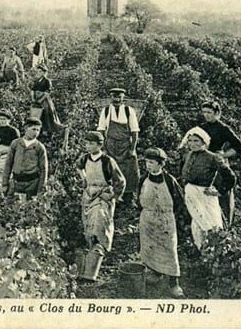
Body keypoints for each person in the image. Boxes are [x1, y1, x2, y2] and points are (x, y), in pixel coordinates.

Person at [75, 131, 126, 282]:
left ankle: (99, 251)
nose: (88, 146)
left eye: (92, 143)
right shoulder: (84, 159)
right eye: (87, 143)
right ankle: (91, 256)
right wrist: (83, 179)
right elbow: (79, 167)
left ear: (100, 145)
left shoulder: (107, 161)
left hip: (103, 195)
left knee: (100, 223)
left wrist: (113, 196)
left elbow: (120, 180)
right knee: (89, 225)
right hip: (89, 194)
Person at [137, 147, 185, 297]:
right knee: (150, 248)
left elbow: (179, 201)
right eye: (146, 162)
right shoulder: (143, 179)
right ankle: (156, 273)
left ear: (160, 164)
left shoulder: (170, 181)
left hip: (165, 219)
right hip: (148, 219)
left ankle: (174, 284)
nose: (148, 165)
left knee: (169, 250)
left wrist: (170, 217)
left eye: (151, 162)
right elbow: (138, 198)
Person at [179, 126, 236, 250]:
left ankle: (216, 250)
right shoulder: (187, 156)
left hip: (205, 194)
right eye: (190, 141)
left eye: (196, 141)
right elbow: (183, 172)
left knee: (210, 223)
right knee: (197, 224)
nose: (193, 144)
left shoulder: (213, 158)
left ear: (204, 142)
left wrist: (219, 191)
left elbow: (230, 177)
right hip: (191, 193)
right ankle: (202, 251)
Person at [197, 100, 241, 227]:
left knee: (222, 193)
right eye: (204, 112)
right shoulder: (202, 128)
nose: (206, 115)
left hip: (219, 165)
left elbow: (240, 148)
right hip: (204, 164)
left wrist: (223, 155)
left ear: (217, 113)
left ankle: (225, 225)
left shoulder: (223, 129)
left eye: (209, 112)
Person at [97, 87, 140, 205]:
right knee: (111, 170)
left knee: (130, 170)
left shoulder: (128, 110)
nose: (116, 99)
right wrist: (103, 148)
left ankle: (129, 197)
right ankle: (114, 196)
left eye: (119, 97)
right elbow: (101, 130)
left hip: (125, 145)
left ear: (123, 98)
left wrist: (132, 149)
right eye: (114, 97)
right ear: (111, 98)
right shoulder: (105, 111)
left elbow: (135, 131)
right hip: (110, 145)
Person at [2, 117, 48, 200]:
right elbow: (8, 164)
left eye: (38, 130)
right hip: (16, 183)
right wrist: (5, 184)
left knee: (29, 209)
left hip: (32, 184)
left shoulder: (39, 147)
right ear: (26, 128)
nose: (36, 132)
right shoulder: (16, 143)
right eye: (34, 129)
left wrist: (41, 190)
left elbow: (44, 170)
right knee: (10, 207)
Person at [29, 65, 66, 136]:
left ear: (44, 72)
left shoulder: (47, 81)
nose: (38, 73)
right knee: (35, 113)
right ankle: (37, 130)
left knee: (46, 113)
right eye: (38, 71)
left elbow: (47, 93)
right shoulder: (36, 81)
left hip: (44, 99)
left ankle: (46, 130)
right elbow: (32, 90)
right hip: (36, 99)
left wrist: (41, 100)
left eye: (40, 71)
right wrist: (33, 98)